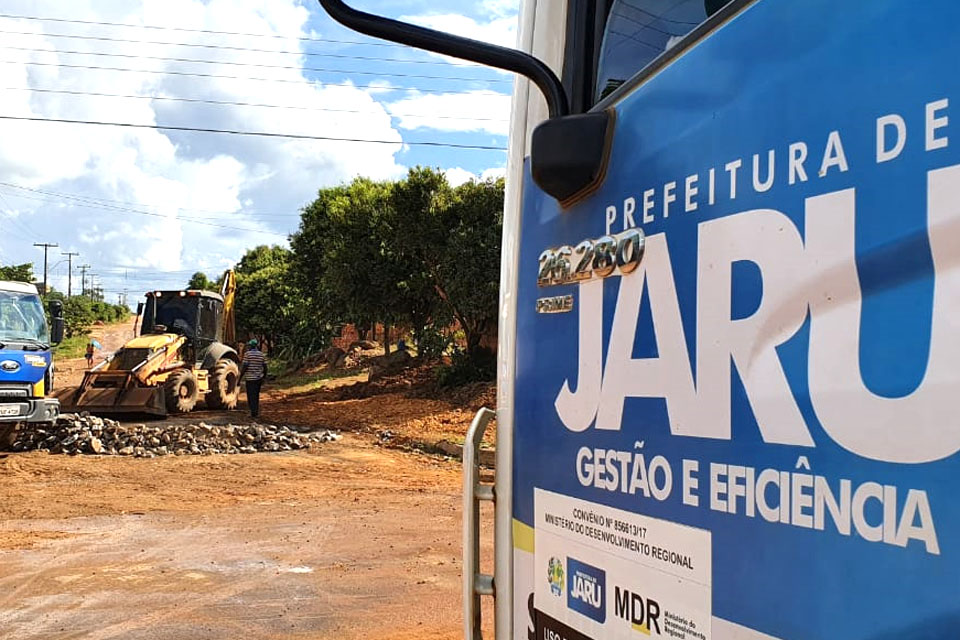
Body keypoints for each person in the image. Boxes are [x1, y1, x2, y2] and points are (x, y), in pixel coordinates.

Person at [238, 338, 267, 419]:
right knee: (256, 395)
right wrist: (264, 377)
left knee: (251, 396)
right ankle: (256, 412)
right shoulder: (261, 355)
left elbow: (245, 366)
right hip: (258, 379)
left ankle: (252, 412)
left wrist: (240, 378)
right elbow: (265, 367)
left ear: (250, 346)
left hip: (250, 379)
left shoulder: (247, 354)